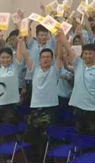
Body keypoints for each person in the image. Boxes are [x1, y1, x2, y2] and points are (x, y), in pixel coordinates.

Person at [18, 33, 63, 162]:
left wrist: (59, 40)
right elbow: (25, 55)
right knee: (32, 138)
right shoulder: (34, 69)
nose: (45, 59)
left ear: (52, 59)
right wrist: (21, 41)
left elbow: (60, 56)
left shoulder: (55, 70)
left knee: (46, 139)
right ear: (39, 59)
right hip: (35, 109)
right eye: (43, 57)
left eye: (48, 57)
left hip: (50, 109)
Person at [58, 32, 95, 137]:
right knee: (78, 134)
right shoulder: (78, 63)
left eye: (90, 54)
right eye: (85, 53)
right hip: (77, 106)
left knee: (92, 135)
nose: (87, 56)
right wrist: (62, 35)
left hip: (92, 107)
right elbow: (68, 48)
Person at [0, 26, 23, 125]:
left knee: (8, 129)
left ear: (12, 58)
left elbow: (19, 52)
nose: (5, 60)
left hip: (10, 105)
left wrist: (20, 41)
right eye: (2, 58)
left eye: (8, 57)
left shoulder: (15, 67)